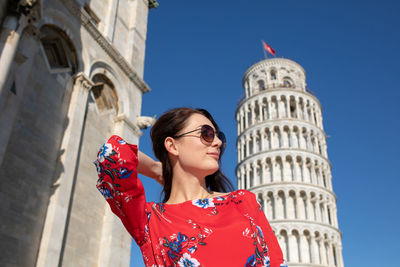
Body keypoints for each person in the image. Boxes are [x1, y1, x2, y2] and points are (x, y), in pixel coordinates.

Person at [94, 107, 287, 267]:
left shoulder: (243, 202)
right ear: (173, 146)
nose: (218, 142)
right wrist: (156, 169)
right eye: (207, 134)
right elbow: (112, 154)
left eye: (218, 136)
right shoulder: (151, 221)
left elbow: (277, 263)